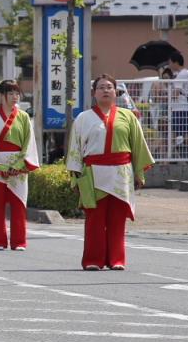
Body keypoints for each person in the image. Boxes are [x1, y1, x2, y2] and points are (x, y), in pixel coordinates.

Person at [66, 74, 154, 271]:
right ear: (94, 93)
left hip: (121, 173)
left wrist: (138, 173)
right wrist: (75, 177)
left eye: (109, 87)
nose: (105, 90)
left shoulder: (128, 117)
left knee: (117, 219)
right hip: (93, 173)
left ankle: (116, 259)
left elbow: (138, 145)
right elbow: (75, 148)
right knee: (94, 219)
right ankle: (93, 260)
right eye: (101, 87)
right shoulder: (83, 118)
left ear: (116, 92)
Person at [0, 79, 39, 251]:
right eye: (10, 93)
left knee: (19, 205)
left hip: (18, 167)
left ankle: (19, 241)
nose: (14, 97)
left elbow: (28, 143)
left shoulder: (24, 117)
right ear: (1, 95)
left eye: (17, 93)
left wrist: (18, 165)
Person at [169, 51, 188, 156]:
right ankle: (170, 159)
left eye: (170, 62)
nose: (170, 65)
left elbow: (176, 93)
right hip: (180, 108)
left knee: (185, 135)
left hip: (180, 109)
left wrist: (167, 95)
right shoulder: (182, 74)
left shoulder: (181, 75)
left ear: (176, 62)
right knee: (176, 134)